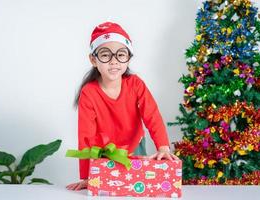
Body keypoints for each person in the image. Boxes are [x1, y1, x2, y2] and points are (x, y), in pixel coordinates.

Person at [66, 21, 179, 191]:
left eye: (121, 54)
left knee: (137, 189)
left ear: (128, 58)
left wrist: (163, 147)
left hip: (135, 146)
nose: (114, 62)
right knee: (109, 191)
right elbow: (86, 136)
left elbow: (152, 116)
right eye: (105, 55)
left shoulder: (136, 84)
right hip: (104, 154)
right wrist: (87, 176)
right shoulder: (89, 92)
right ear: (93, 59)